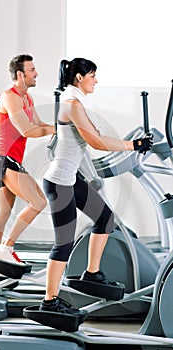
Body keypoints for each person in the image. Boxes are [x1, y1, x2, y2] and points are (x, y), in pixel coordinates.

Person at [39, 58, 153, 314]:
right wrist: (134, 146)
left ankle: (91, 273)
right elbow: (97, 142)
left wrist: (133, 145)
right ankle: (49, 302)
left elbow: (96, 139)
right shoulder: (72, 105)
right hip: (59, 183)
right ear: (79, 78)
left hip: (71, 180)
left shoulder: (78, 102)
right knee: (64, 244)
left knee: (105, 219)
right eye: (93, 75)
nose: (96, 80)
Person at [0, 54, 55, 272]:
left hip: (9, 160)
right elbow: (28, 130)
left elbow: (39, 123)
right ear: (20, 74)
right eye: (32, 70)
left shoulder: (27, 98)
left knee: (3, 213)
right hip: (4, 159)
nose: (37, 73)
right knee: (39, 202)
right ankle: (7, 246)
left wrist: (59, 127)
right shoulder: (10, 97)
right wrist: (57, 130)